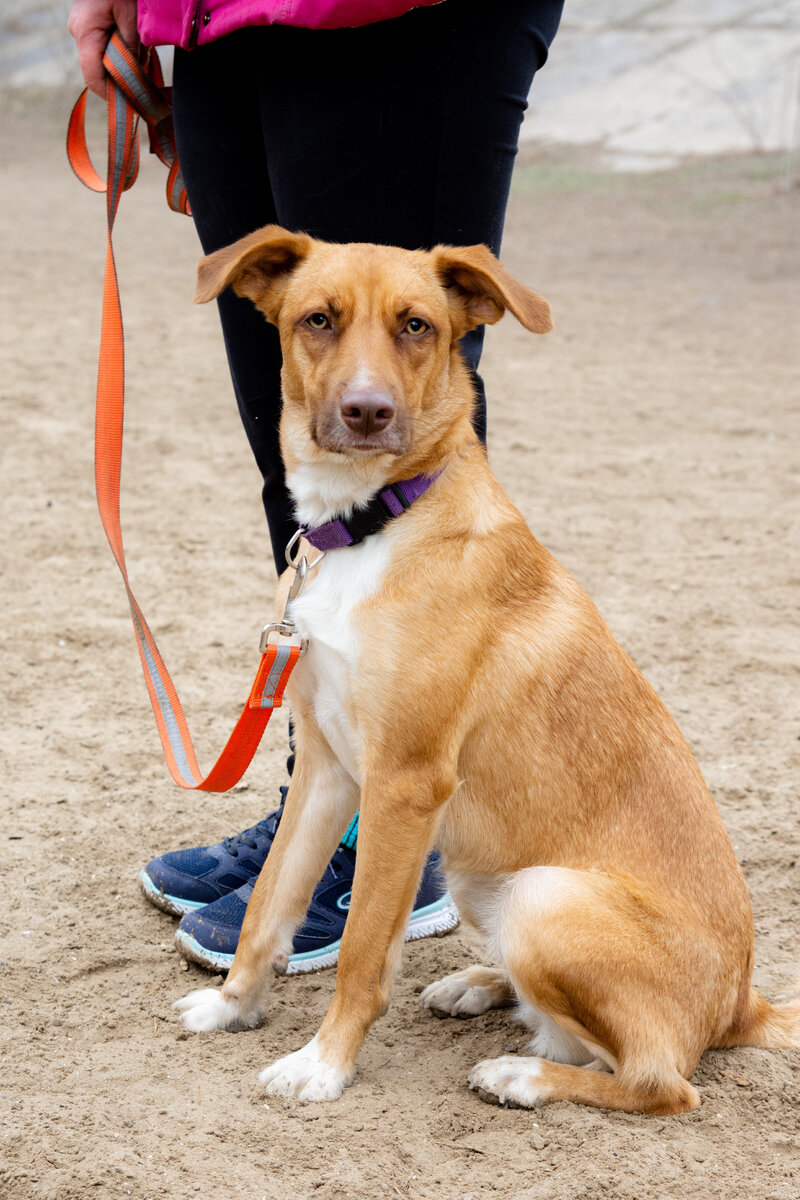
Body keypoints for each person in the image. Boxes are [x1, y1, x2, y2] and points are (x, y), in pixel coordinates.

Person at [68, 0, 564, 974]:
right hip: (212, 18)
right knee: (299, 424)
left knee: (393, 410)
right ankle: (329, 791)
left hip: (392, 17)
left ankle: (394, 828)